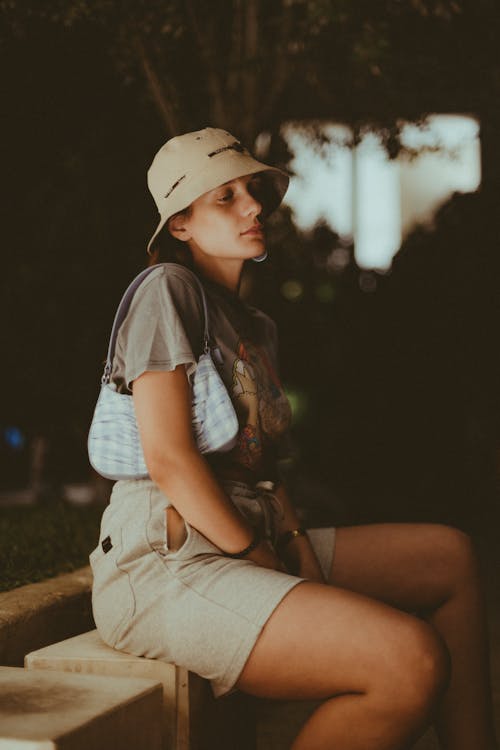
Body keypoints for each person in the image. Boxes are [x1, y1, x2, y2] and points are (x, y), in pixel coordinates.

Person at [90, 127, 498, 750]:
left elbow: (265, 470)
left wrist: (294, 546)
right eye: (224, 197)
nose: (252, 205)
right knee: (408, 661)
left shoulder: (254, 324)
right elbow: (169, 459)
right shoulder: (165, 293)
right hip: (170, 558)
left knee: (449, 557)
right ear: (180, 225)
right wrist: (256, 552)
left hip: (252, 527)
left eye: (251, 190)